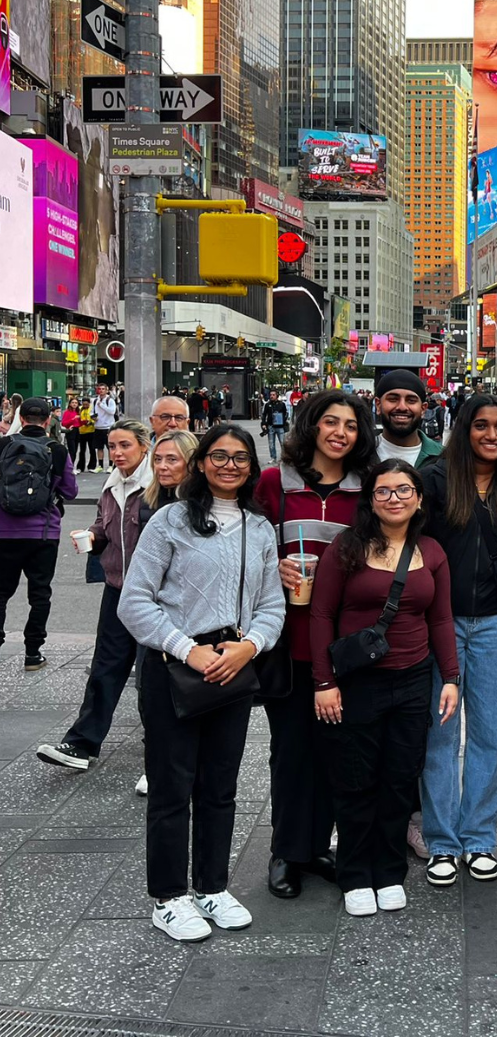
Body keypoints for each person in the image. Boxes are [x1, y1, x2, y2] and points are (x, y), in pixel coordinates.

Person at [118, 424, 286, 943]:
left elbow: (271, 604)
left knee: (220, 788)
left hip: (233, 666)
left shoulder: (258, 528)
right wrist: (188, 648)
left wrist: (248, 646)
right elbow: (135, 601)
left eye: (240, 458)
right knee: (172, 788)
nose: (229, 465)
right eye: (219, 456)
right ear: (201, 463)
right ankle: (168, 897)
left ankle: (212, 885)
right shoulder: (169, 521)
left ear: (252, 468)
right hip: (174, 665)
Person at [309, 461, 460, 916]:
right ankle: (355, 873)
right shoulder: (346, 547)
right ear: (370, 500)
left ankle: (389, 869)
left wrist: (451, 678)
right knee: (356, 779)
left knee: (399, 778)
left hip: (413, 680)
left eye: (403, 490)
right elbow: (320, 615)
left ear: (418, 499)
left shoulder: (431, 551)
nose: (394, 498)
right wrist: (323, 682)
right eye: (383, 491)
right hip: (357, 683)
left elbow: (441, 618)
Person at [255, 389, 377, 900]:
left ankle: (318, 845)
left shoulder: (367, 489)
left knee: (335, 751)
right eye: (330, 422)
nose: (340, 433)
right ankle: (286, 850)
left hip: (343, 646)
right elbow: (246, 550)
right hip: (288, 641)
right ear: (311, 425)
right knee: (289, 751)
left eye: (350, 426)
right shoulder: (271, 484)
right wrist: (272, 567)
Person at [420, 394, 497, 886]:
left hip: (495, 623)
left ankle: (479, 838)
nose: (491, 435)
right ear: (464, 429)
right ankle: (442, 842)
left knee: (488, 732)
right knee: (440, 733)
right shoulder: (435, 479)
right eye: (481, 426)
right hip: (439, 623)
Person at [36, 422, 156, 772]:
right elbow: (104, 526)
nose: (117, 453)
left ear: (143, 447)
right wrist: (92, 536)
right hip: (118, 587)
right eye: (112, 446)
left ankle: (160, 755)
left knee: (152, 674)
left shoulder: (157, 485)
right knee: (106, 665)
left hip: (154, 594)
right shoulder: (112, 484)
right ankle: (81, 744)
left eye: (125, 446)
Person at [0, 398, 78, 670]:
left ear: (20, 418)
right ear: (47, 421)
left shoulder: (3, 445)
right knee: (40, 594)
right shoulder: (56, 450)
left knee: (0, 593)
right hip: (43, 533)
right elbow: (70, 491)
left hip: (4, 532)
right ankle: (33, 653)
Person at [376, 370, 442, 467]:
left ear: (423, 409)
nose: (402, 407)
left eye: (411, 400)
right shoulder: (357, 454)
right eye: (393, 399)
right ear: (378, 405)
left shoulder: (444, 458)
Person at [92, 384, 119, 472]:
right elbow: (91, 412)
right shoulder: (95, 400)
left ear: (107, 390)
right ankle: (100, 465)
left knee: (109, 447)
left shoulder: (110, 400)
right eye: (100, 389)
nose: (101, 391)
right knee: (99, 447)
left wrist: (102, 406)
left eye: (103, 389)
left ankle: (111, 465)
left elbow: (112, 411)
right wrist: (93, 417)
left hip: (108, 427)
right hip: (98, 426)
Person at [261, 391, 289, 463]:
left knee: (282, 443)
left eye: (273, 395)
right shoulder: (267, 405)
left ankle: (284, 458)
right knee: (271, 443)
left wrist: (283, 421)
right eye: (270, 395)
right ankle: (273, 457)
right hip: (271, 426)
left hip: (280, 426)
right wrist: (264, 423)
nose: (272, 396)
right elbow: (264, 414)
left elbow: (285, 413)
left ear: (277, 396)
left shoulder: (282, 404)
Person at [77, 399, 98, 472]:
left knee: (92, 449)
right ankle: (80, 466)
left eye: (86, 404)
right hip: (82, 431)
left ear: (89, 403)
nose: (85, 406)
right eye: (84, 404)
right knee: (82, 450)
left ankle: (92, 466)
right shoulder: (80, 409)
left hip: (91, 431)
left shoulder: (92, 409)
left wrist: (91, 422)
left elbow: (95, 418)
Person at [62, 397, 82, 466]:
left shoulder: (78, 411)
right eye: (73, 403)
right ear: (70, 404)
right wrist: (73, 419)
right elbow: (63, 423)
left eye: (76, 403)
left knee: (75, 450)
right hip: (71, 430)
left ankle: (72, 465)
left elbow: (80, 423)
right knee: (72, 450)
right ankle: (69, 466)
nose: (74, 404)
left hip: (77, 430)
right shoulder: (67, 412)